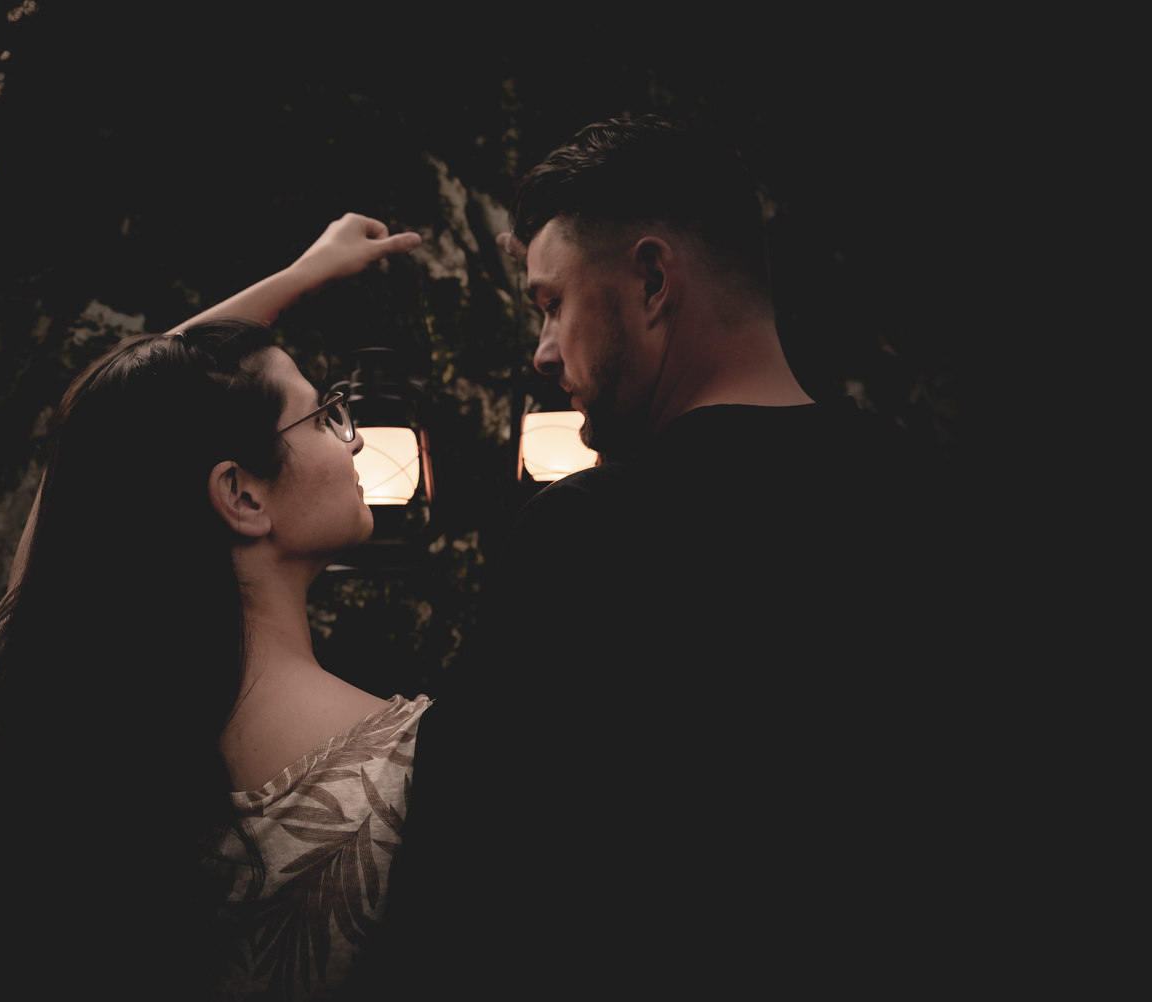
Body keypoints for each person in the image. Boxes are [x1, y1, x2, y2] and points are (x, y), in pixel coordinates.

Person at [384, 116, 978, 997]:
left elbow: (461, 888)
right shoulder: (940, 500)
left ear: (654, 281)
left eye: (551, 304)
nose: (542, 352)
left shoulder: (585, 539)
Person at [0, 214, 431, 998]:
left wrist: (301, 273)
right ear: (242, 495)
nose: (352, 441)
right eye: (324, 415)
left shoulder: (36, 704)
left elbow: (106, 434)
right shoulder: (415, 773)